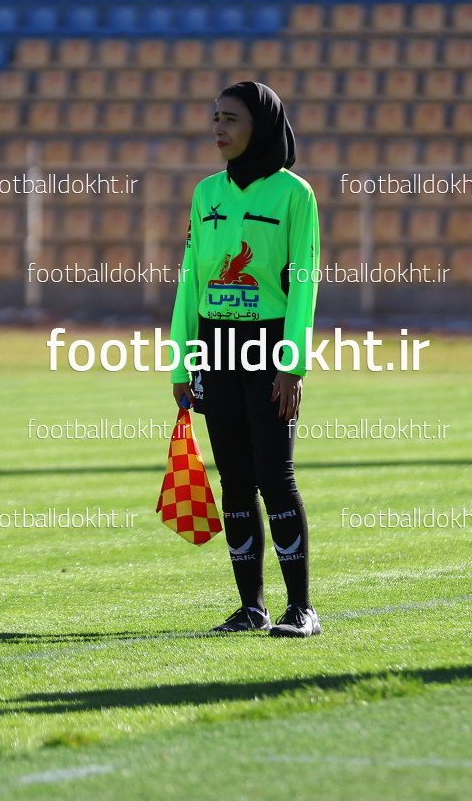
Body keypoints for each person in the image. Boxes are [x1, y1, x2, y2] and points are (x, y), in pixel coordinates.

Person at [169, 82, 320, 638]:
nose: (219, 128)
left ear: (261, 125)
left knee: (274, 476)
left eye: (230, 118)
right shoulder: (204, 193)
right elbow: (190, 282)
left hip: (270, 347)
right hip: (214, 348)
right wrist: (181, 363)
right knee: (233, 479)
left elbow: (304, 283)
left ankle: (301, 609)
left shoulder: (295, 195)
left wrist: (293, 364)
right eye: (215, 117)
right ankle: (251, 608)